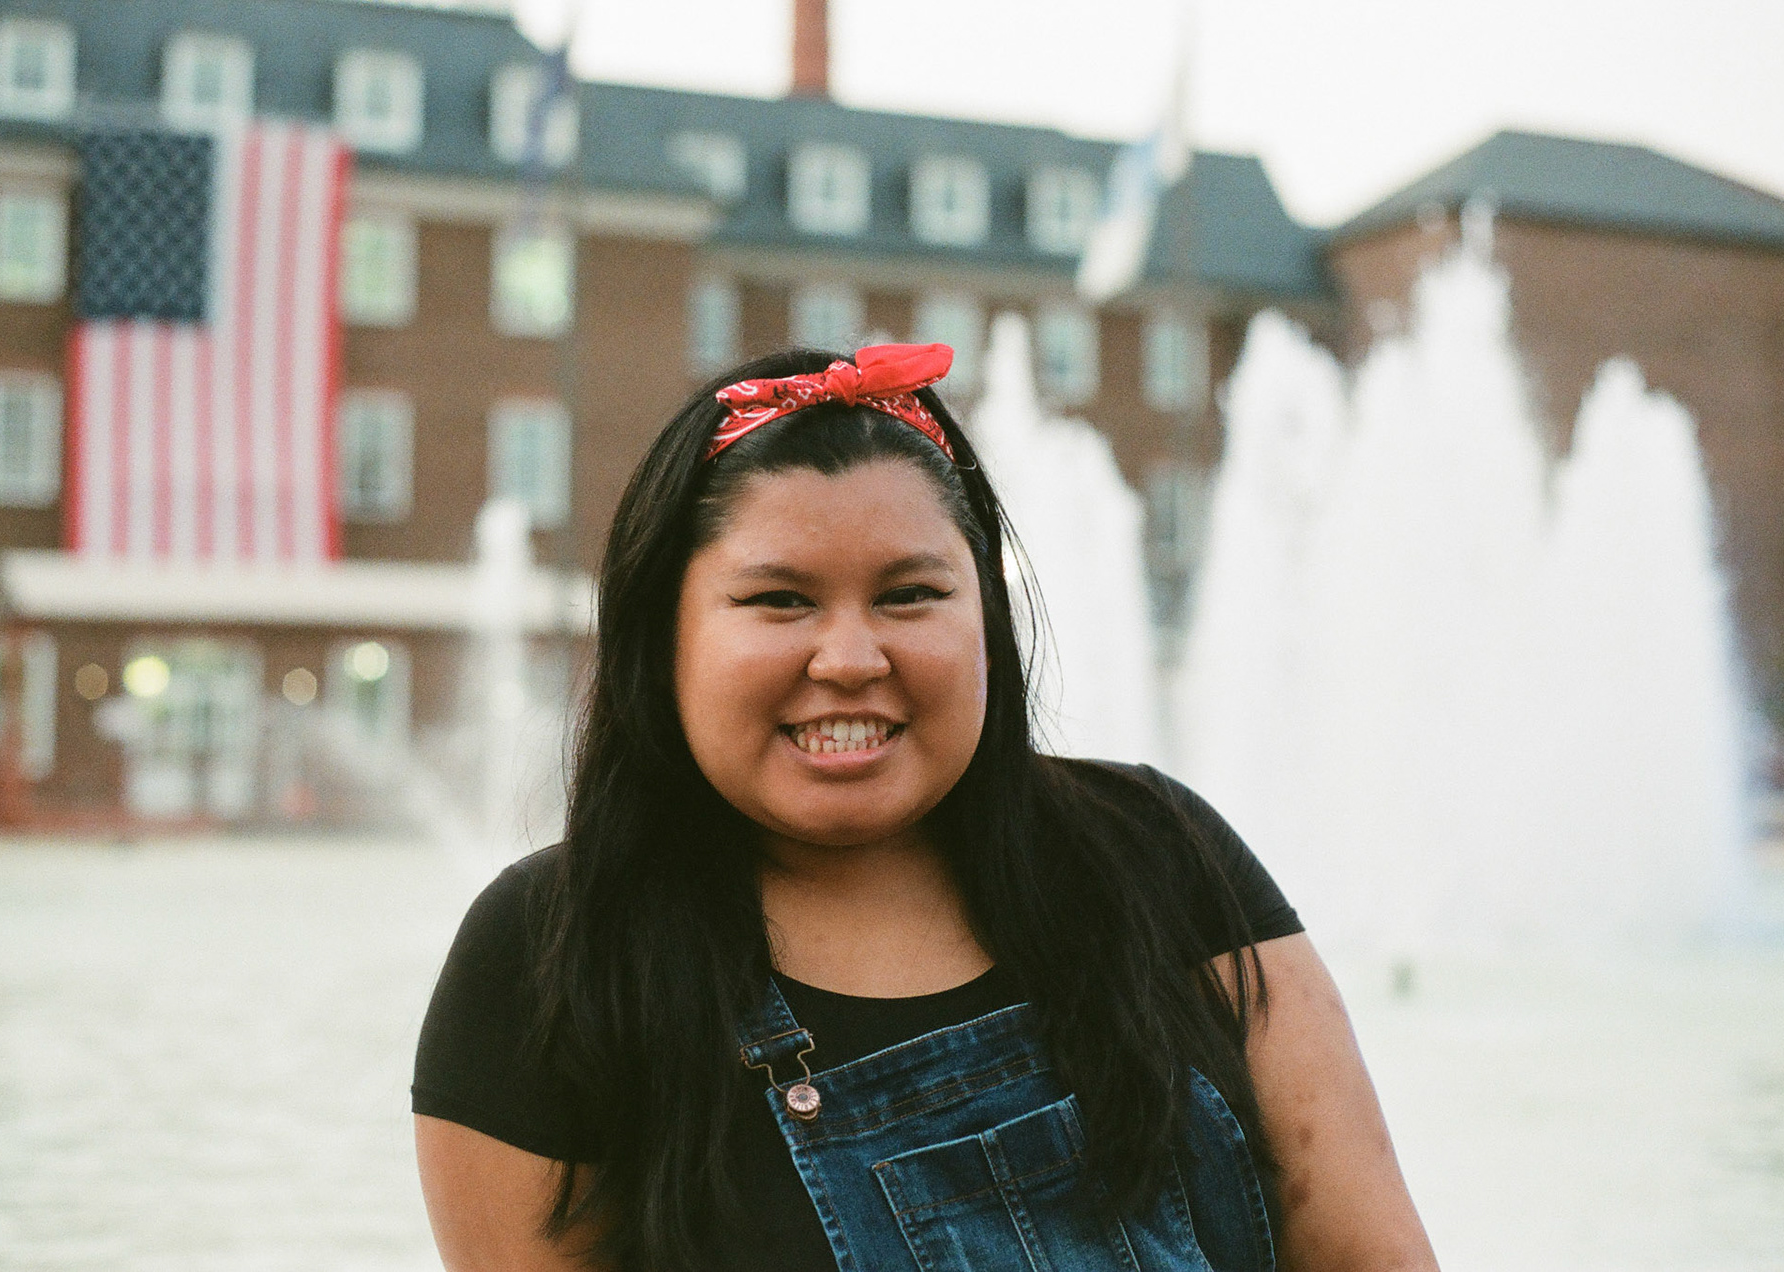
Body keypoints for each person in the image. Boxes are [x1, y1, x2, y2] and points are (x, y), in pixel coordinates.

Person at [412, 343, 1438, 1271]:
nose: (851, 659)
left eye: (910, 595)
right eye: (779, 601)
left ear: (986, 614)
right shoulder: (547, 955)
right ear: (662, 638)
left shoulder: (1158, 854)